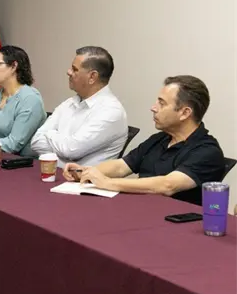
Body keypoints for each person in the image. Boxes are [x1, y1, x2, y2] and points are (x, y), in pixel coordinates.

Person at [65, 75, 225, 205]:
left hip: (175, 228)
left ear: (184, 113)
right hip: (139, 211)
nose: (153, 107)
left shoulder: (207, 151)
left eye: (162, 104)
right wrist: (86, 172)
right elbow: (121, 166)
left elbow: (167, 185)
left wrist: (107, 183)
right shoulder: (160, 138)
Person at [30, 46, 128, 167]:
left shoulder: (111, 111)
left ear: (92, 77)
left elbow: (71, 150)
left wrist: (49, 134)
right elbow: (36, 142)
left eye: (74, 69)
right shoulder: (69, 103)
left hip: (83, 183)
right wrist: (65, 150)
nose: (68, 72)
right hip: (55, 176)